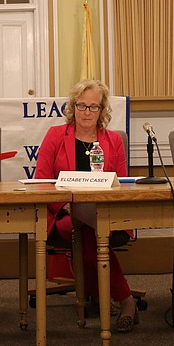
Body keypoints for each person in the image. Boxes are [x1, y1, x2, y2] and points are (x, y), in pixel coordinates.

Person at [35, 79, 138, 333]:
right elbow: (41, 181)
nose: (87, 112)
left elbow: (122, 184)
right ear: (73, 107)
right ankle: (126, 301)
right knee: (83, 229)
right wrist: (66, 205)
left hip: (104, 213)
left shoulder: (113, 141)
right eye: (82, 106)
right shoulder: (56, 136)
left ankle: (101, 294)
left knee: (93, 228)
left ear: (102, 111)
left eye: (93, 107)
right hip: (65, 214)